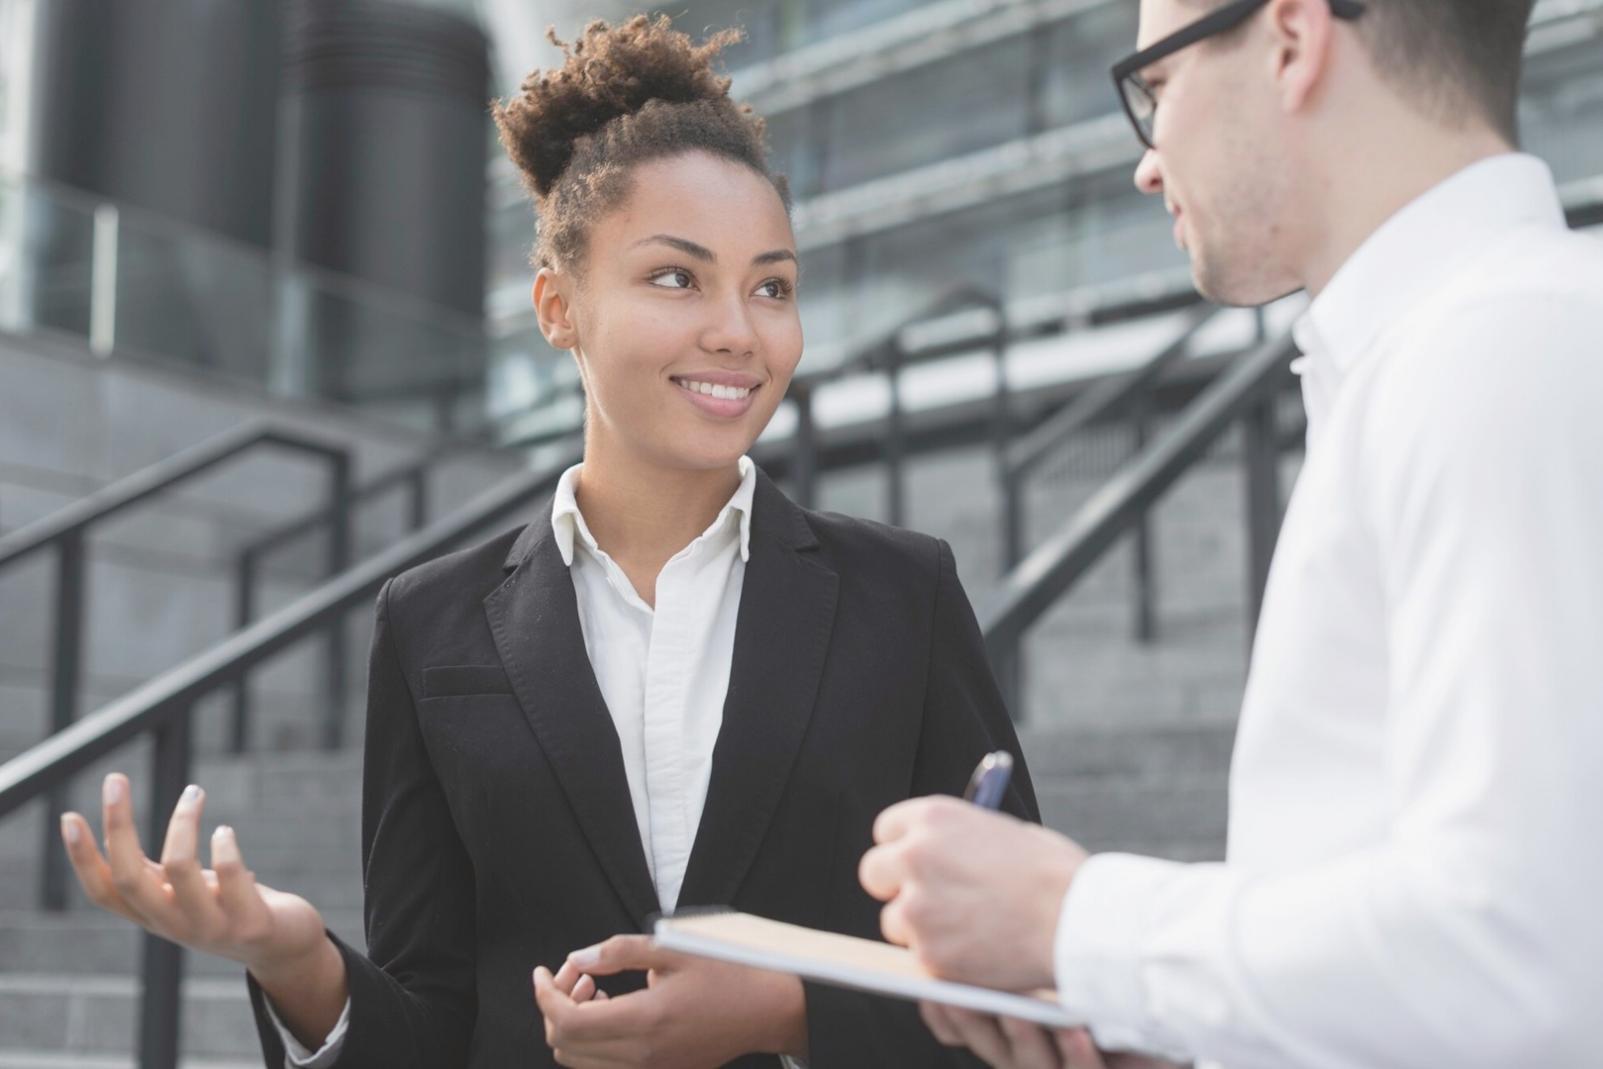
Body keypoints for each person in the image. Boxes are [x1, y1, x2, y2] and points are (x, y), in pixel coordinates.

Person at [56, 16, 1036, 1068]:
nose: (738, 331)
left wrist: (791, 1014)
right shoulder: (430, 624)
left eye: (772, 286)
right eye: (676, 277)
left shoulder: (902, 593)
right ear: (557, 307)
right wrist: (295, 959)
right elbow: (434, 1027)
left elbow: (1026, 979)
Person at [857, 1, 1603, 1067]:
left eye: (1156, 88)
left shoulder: (1498, 352)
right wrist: (1180, 1021)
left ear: (1290, 40)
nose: (1144, 164)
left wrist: (1072, 921)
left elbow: (1529, 958)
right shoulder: (1453, 356)